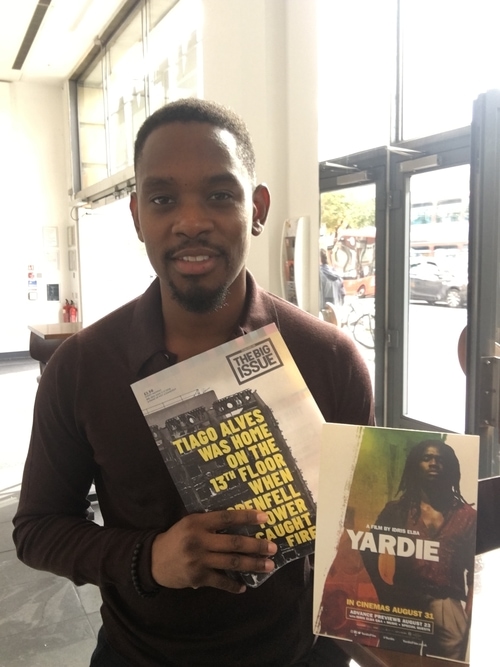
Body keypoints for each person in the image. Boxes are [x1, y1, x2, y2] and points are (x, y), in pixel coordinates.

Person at [13, 98, 374, 666]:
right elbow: (36, 530)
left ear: (256, 208)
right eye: (162, 199)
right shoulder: (81, 368)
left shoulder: (329, 359)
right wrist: (150, 558)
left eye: (219, 194)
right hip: (139, 656)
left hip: (297, 655)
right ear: (137, 216)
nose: (190, 221)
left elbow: (360, 531)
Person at [361, 440, 476, 661]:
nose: (434, 463)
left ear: (450, 467)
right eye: (427, 458)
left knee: (447, 664)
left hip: (446, 602)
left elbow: (473, 569)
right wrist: (383, 590)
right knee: (395, 662)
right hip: (403, 599)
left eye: (440, 460)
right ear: (415, 465)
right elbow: (368, 548)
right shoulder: (397, 510)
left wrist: (470, 605)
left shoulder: (467, 515)